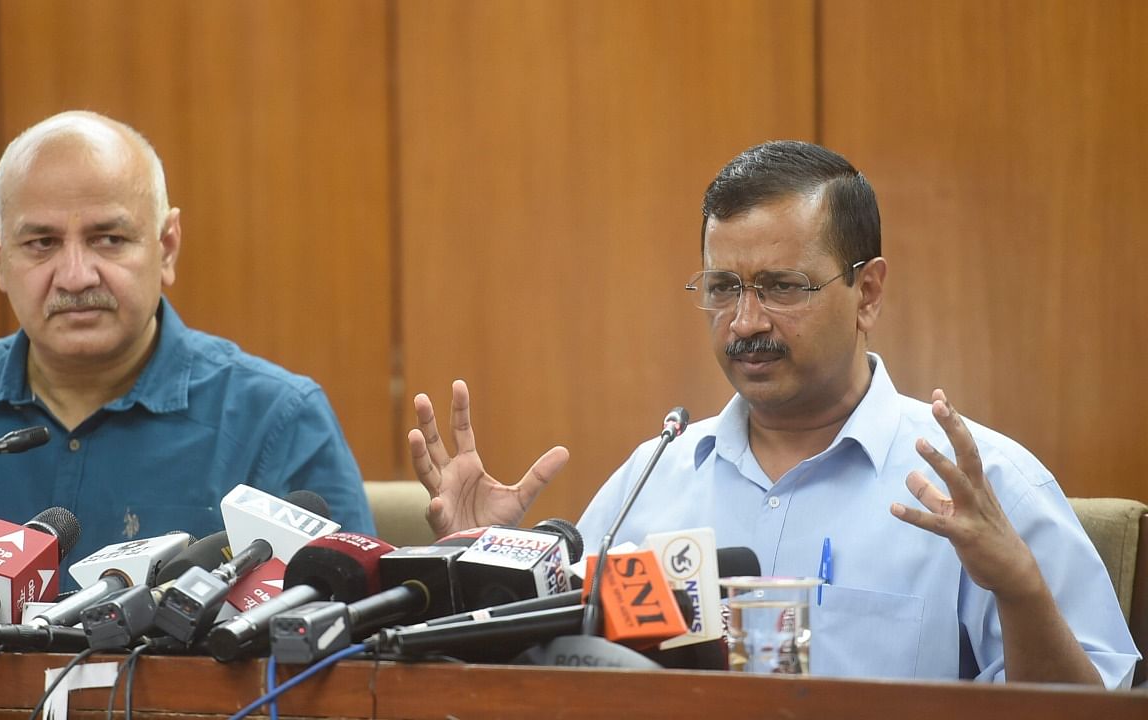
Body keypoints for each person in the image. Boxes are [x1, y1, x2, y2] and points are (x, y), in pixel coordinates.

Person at [407, 141, 1139, 686]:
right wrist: (488, 565)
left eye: (781, 286)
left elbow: (1092, 709)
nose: (744, 322)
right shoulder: (653, 478)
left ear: (869, 294)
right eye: (722, 287)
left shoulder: (984, 487)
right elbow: (549, 680)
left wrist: (1020, 591)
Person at [0, 111, 375, 585]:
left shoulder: (278, 422)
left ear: (167, 246)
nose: (74, 275)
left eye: (108, 238)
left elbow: (354, 640)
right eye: (41, 243)